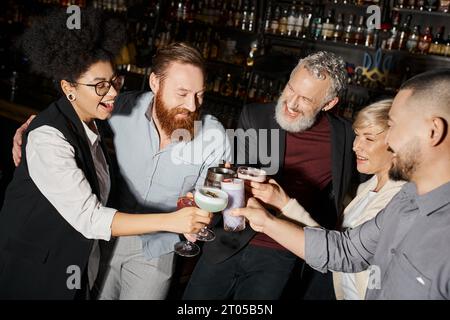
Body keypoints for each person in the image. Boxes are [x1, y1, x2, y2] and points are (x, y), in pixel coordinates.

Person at [0, 10, 211, 300]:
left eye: (115, 81)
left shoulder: (94, 121)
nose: (112, 93)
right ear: (68, 88)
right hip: (36, 272)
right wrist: (172, 221)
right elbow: (91, 218)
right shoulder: (48, 138)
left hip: (76, 266)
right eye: (100, 85)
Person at [232, 69, 450, 300]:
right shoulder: (405, 200)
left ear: (433, 131)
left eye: (394, 126)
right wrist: (267, 221)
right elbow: (346, 251)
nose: (389, 140)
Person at [183, 51, 359, 300]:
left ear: (329, 104)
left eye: (305, 99)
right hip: (230, 241)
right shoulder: (255, 116)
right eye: (290, 88)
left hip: (281, 252)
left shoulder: (345, 137)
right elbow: (235, 180)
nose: (291, 102)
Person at [245, 99, 405, 300]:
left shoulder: (402, 198)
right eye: (356, 136)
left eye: (369, 139)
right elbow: (333, 246)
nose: (355, 146)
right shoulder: (368, 186)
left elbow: (342, 254)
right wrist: (283, 203)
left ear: (398, 143)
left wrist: (268, 223)